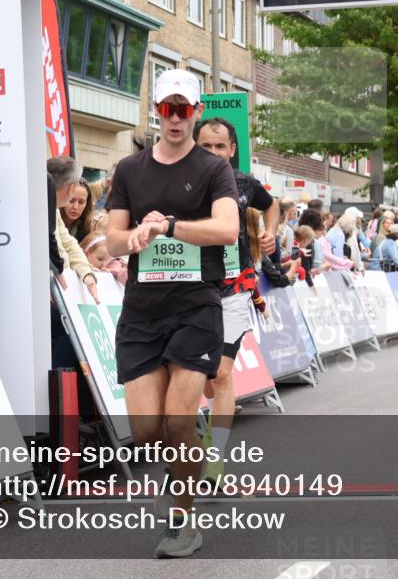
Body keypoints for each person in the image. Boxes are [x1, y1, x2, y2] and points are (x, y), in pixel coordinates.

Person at [105, 69, 238, 559]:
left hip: (195, 306)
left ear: (196, 111)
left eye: (183, 109)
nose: (175, 118)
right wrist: (135, 237)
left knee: (178, 421)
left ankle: (183, 523)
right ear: (156, 111)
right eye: (167, 108)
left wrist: (169, 226)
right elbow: (111, 239)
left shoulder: (213, 169)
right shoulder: (129, 168)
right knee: (146, 432)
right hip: (142, 310)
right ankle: (183, 460)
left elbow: (226, 230)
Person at [193, 116, 278, 484]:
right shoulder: (179, 180)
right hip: (192, 288)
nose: (213, 152)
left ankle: (215, 458)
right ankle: (208, 431)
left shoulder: (243, 182)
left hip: (234, 285)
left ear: (232, 149)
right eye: (206, 146)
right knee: (205, 378)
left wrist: (270, 232)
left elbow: (272, 205)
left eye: (220, 146)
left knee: (223, 373)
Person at [47, 157, 101, 304]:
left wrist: (87, 274)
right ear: (71, 188)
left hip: (59, 292)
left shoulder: (54, 209)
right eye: (73, 200)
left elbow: (69, 244)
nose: (76, 206)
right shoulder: (43, 208)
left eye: (81, 202)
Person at [60, 178, 93, 242]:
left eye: (81, 202)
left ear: (87, 203)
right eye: (71, 201)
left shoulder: (89, 226)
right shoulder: (52, 219)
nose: (75, 207)